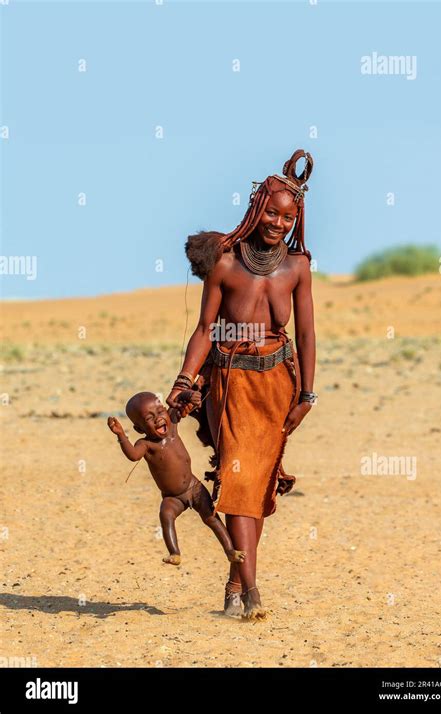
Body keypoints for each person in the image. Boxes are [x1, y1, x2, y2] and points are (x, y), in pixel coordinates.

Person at [166, 149, 317, 620]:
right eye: (271, 211)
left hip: (278, 385)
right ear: (256, 208)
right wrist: (184, 379)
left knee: (256, 485)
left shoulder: (297, 267)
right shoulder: (226, 263)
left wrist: (307, 396)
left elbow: (309, 333)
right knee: (237, 478)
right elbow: (205, 328)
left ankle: (235, 581)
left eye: (288, 217)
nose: (278, 223)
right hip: (230, 382)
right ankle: (250, 590)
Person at [107, 390, 246, 567]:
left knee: (211, 517)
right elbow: (133, 456)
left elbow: (180, 402)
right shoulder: (145, 445)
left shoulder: (172, 424)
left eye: (159, 412)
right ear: (139, 428)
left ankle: (230, 550)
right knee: (166, 515)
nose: (158, 419)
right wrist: (120, 435)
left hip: (193, 486)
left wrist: (190, 396)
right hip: (172, 497)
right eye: (149, 418)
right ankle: (174, 552)